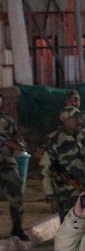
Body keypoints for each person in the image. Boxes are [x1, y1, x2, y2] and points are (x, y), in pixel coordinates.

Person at [41, 106, 85, 222]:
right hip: (67, 195)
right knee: (69, 229)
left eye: (79, 118)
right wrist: (51, 196)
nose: (79, 121)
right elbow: (46, 169)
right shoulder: (54, 140)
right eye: (75, 119)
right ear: (65, 120)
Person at [0, 94, 29, 241]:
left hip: (8, 163)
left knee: (16, 195)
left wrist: (16, 144)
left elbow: (18, 140)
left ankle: (17, 228)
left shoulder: (8, 120)